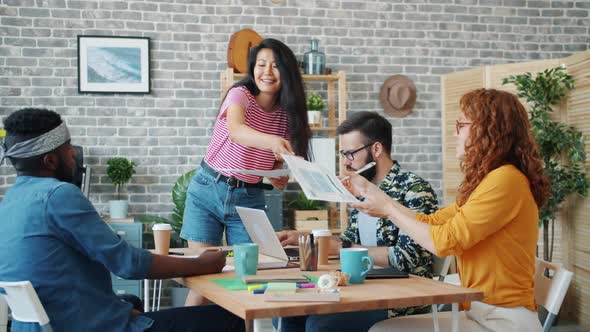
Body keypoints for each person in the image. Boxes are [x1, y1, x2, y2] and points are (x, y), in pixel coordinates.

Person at [0, 108, 245, 332]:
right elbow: (128, 264)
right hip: (82, 325)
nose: (73, 153)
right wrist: (203, 264)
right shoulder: (57, 195)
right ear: (50, 161)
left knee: (132, 302)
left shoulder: (10, 200)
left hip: (44, 324)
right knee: (234, 317)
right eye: (68, 148)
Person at [344, 89, 549, 332]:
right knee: (381, 328)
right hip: (478, 312)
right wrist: (374, 194)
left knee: (381, 330)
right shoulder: (490, 180)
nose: (455, 133)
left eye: (461, 124)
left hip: (502, 321)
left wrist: (388, 208)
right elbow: (431, 221)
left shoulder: (506, 180)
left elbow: (445, 242)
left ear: (487, 130)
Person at [276, 111, 439, 331]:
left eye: (350, 154)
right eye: (343, 154)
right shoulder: (361, 189)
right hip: (364, 288)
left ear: (377, 149)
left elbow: (410, 258)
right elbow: (348, 242)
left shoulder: (414, 189)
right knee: (290, 314)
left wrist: (346, 247)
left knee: (319, 325)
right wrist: (305, 238)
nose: (345, 162)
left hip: (403, 298)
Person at [180, 38, 311, 305]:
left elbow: (274, 159)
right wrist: (272, 141)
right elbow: (236, 131)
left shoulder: (287, 115)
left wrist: (278, 171)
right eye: (261, 64)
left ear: (287, 73)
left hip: (248, 197)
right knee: (203, 280)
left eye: (275, 66)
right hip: (208, 188)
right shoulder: (240, 95)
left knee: (248, 280)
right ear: (252, 69)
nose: (267, 72)